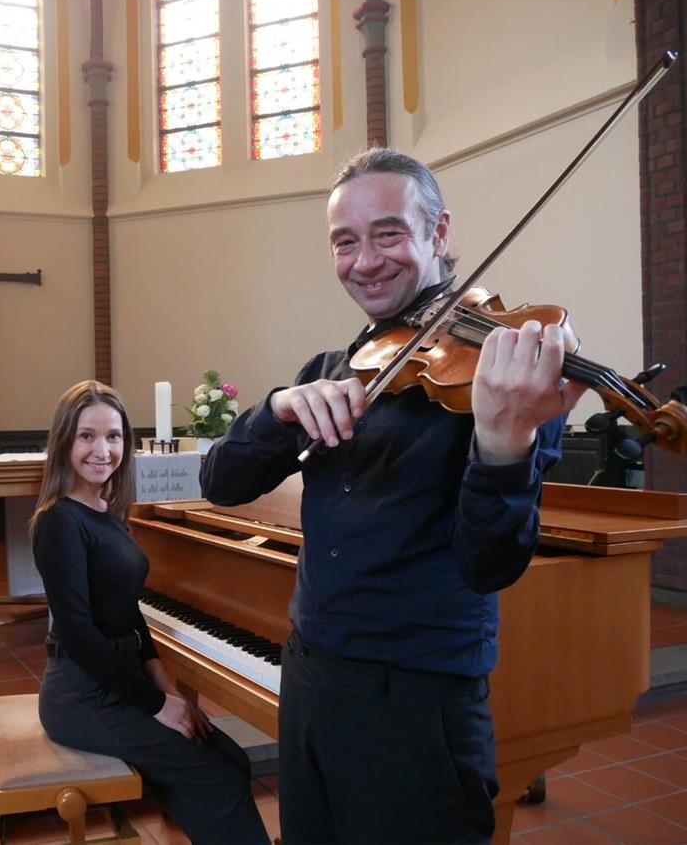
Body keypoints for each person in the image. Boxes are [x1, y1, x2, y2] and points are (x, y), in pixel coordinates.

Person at [200, 148, 587, 844]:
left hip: (417, 703)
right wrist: (282, 406)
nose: (365, 260)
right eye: (345, 241)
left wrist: (501, 442)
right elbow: (220, 482)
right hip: (313, 681)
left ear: (438, 234)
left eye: (387, 233)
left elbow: (489, 565)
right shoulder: (332, 371)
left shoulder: (504, 379)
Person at [31, 380, 270, 845]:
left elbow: (128, 612)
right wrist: (156, 705)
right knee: (215, 774)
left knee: (233, 760)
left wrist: (164, 684)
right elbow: (78, 637)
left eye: (114, 436)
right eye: (87, 436)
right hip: (81, 695)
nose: (103, 450)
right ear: (64, 442)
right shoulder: (60, 521)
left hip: (120, 681)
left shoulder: (104, 510)